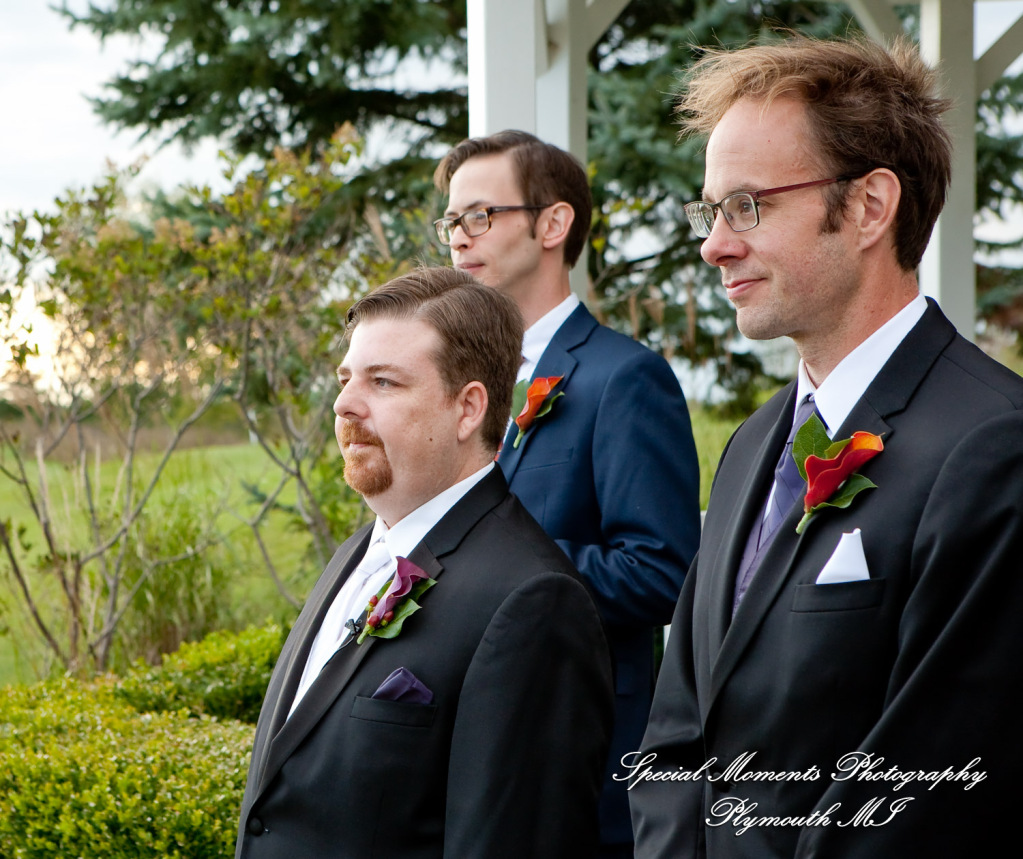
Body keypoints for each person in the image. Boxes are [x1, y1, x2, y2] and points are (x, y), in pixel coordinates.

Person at [630, 35, 1023, 858]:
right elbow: (678, 728)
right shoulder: (749, 445)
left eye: (747, 206)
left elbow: (929, 788)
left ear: (870, 207)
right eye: (710, 211)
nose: (713, 245)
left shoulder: (994, 446)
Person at [236, 266, 615, 859]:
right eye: (345, 379)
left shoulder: (533, 603)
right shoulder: (355, 556)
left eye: (383, 383)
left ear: (467, 409)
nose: (344, 404)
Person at [434, 130, 702, 857]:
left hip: (578, 747)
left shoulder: (623, 378)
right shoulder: (457, 390)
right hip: (463, 742)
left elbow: (662, 571)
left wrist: (498, 568)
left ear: (552, 224)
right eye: (451, 220)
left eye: (480, 215)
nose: (458, 238)